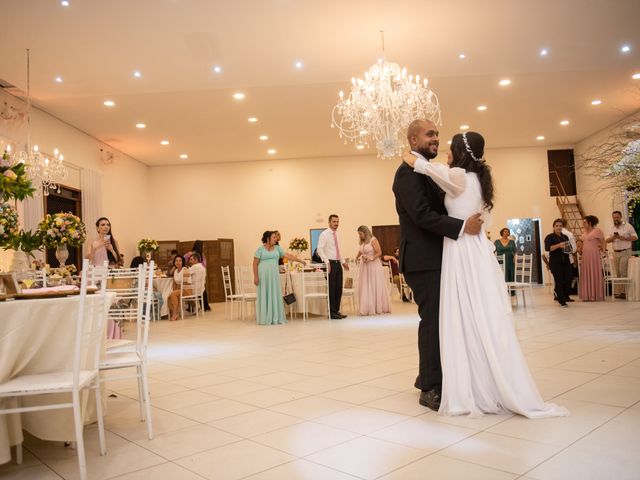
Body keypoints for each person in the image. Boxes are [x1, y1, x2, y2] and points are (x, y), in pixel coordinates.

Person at [402, 129, 567, 418]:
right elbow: (426, 201)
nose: (445, 149)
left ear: (461, 153)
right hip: (468, 249)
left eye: (449, 146)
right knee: (469, 315)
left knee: (463, 315)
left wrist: (408, 157)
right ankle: (468, 378)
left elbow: (425, 167)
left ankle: (464, 381)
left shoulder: (458, 177)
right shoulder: (477, 179)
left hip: (462, 251)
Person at [393, 119, 483, 411]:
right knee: (432, 321)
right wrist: (461, 227)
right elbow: (421, 215)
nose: (436, 139)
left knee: (440, 319)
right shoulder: (406, 174)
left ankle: (428, 375)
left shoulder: (426, 169)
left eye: (437, 135)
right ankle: (430, 387)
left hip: (437, 256)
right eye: (430, 134)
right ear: (413, 139)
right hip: (423, 259)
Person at [253, 231, 305, 325]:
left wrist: (300, 260)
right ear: (268, 238)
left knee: (274, 294)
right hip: (263, 276)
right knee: (265, 294)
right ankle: (265, 317)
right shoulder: (260, 249)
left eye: (275, 237)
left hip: (274, 275)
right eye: (273, 237)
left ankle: (275, 316)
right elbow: (255, 263)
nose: (276, 239)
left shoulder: (277, 248)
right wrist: (256, 277)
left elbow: (288, 256)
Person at [317, 215, 350, 319]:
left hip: (338, 263)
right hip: (330, 263)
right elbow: (320, 249)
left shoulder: (337, 234)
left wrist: (343, 261)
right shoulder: (324, 234)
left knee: (338, 288)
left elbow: (338, 250)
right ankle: (332, 313)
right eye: (334, 221)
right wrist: (327, 262)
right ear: (329, 222)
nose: (336, 223)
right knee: (332, 289)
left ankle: (336, 311)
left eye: (337, 221)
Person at [355, 226, 391, 316]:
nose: (359, 236)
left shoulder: (373, 240)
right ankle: (366, 306)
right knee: (366, 285)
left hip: (373, 265)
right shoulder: (363, 242)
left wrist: (371, 258)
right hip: (365, 266)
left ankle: (377, 307)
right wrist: (357, 257)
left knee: (373, 284)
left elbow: (379, 252)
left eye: (360, 234)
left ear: (365, 232)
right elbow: (361, 251)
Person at [605, 210, 638, 298]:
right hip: (615, 252)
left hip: (625, 251)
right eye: (614, 217)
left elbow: (635, 237)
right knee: (618, 273)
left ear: (621, 217)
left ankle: (625, 292)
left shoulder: (628, 226)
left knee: (623, 270)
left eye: (617, 217)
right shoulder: (612, 227)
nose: (615, 219)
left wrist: (624, 238)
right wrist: (614, 237)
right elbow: (607, 240)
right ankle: (620, 292)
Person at [544, 219, 573, 307]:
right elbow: (548, 248)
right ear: (554, 227)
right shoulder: (550, 237)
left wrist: (568, 248)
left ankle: (560, 294)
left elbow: (569, 249)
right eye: (557, 226)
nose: (559, 227)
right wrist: (559, 245)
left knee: (568, 280)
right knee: (559, 281)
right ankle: (561, 300)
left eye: (560, 226)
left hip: (566, 261)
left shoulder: (565, 237)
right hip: (555, 262)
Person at [579, 215, 605, 301]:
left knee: (594, 273)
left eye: (585, 222)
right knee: (586, 273)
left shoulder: (597, 231)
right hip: (585, 256)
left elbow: (603, 242)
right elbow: (583, 243)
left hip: (594, 256)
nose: (583, 224)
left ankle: (595, 295)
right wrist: (579, 248)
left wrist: (603, 251)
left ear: (590, 223)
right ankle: (587, 295)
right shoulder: (584, 232)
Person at [184, 241, 211, 311]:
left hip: (199, 273)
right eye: (203, 245)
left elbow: (204, 263)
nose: (204, 247)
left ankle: (200, 307)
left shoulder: (201, 254)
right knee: (201, 289)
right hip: (195, 272)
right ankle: (201, 307)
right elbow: (183, 259)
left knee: (201, 289)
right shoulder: (191, 253)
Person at [168, 255, 191, 321]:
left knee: (174, 294)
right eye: (176, 261)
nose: (178, 262)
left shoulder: (185, 270)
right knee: (169, 296)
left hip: (186, 290)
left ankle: (175, 313)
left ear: (182, 262)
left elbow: (186, 283)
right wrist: (174, 291)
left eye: (180, 261)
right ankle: (173, 313)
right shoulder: (175, 271)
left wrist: (176, 291)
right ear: (174, 262)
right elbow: (174, 283)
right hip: (179, 290)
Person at [559, 218, 578, 296]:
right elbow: (574, 249)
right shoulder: (569, 234)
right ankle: (566, 295)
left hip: (557, 260)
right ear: (566, 224)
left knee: (559, 279)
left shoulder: (553, 234)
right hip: (567, 259)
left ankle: (558, 295)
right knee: (567, 278)